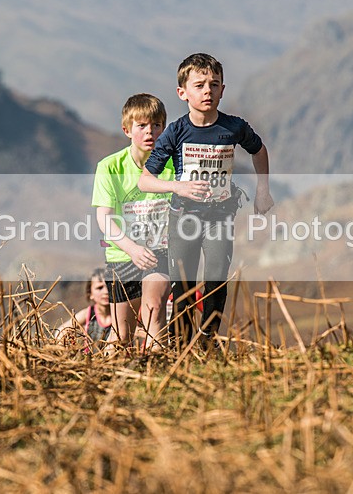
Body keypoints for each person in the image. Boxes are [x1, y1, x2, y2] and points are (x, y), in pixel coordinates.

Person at [139, 53, 273, 348]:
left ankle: (208, 342)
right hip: (183, 216)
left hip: (220, 217)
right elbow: (145, 180)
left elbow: (259, 149)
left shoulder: (233, 127)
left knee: (216, 281)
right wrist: (179, 187)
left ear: (223, 89)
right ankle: (181, 345)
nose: (208, 91)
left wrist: (263, 189)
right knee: (183, 284)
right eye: (199, 85)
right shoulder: (175, 131)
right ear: (183, 93)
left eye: (214, 84)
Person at [92, 93, 175, 352]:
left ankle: (156, 373)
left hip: (160, 251)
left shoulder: (175, 165)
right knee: (121, 337)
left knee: (155, 309)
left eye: (156, 125)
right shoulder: (110, 167)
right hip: (123, 254)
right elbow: (104, 219)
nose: (150, 132)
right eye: (141, 126)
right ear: (127, 130)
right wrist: (133, 249)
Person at [54, 268, 112, 348]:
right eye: (99, 288)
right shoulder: (87, 314)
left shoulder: (121, 314)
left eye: (109, 286)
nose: (106, 291)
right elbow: (60, 331)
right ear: (90, 293)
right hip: (90, 359)